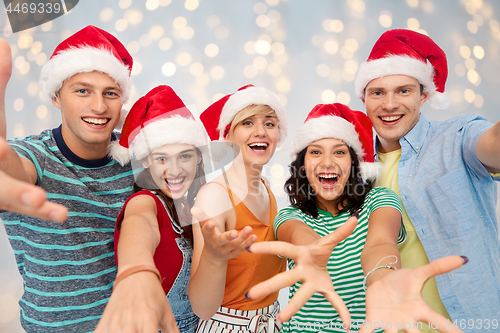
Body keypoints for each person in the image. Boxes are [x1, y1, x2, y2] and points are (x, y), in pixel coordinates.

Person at [0, 26, 182, 333]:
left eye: (110, 93)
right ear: (56, 96)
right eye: (82, 90)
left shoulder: (138, 156)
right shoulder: (34, 155)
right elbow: (11, 172)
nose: (99, 107)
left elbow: (165, 213)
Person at [246, 103, 466, 333]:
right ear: (302, 166)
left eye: (339, 152)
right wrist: (312, 251)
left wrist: (384, 279)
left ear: (354, 164)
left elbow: (380, 243)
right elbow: (299, 235)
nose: (327, 162)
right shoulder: (290, 216)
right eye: (316, 152)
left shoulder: (379, 200)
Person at [352, 29, 500, 332]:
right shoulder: (350, 168)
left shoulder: (456, 137)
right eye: (377, 92)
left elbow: (493, 144)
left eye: (403, 91)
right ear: (363, 99)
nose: (389, 104)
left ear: (424, 95)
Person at [95, 85, 207, 333]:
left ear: (199, 157)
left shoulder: (191, 207)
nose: (175, 170)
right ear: (146, 161)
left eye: (185, 156)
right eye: (161, 159)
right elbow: (140, 223)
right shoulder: (145, 201)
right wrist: (136, 270)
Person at [188, 85, 288, 333]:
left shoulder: (268, 190)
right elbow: (202, 308)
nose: (260, 132)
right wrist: (214, 258)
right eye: (247, 123)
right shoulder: (215, 196)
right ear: (229, 135)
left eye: (269, 123)